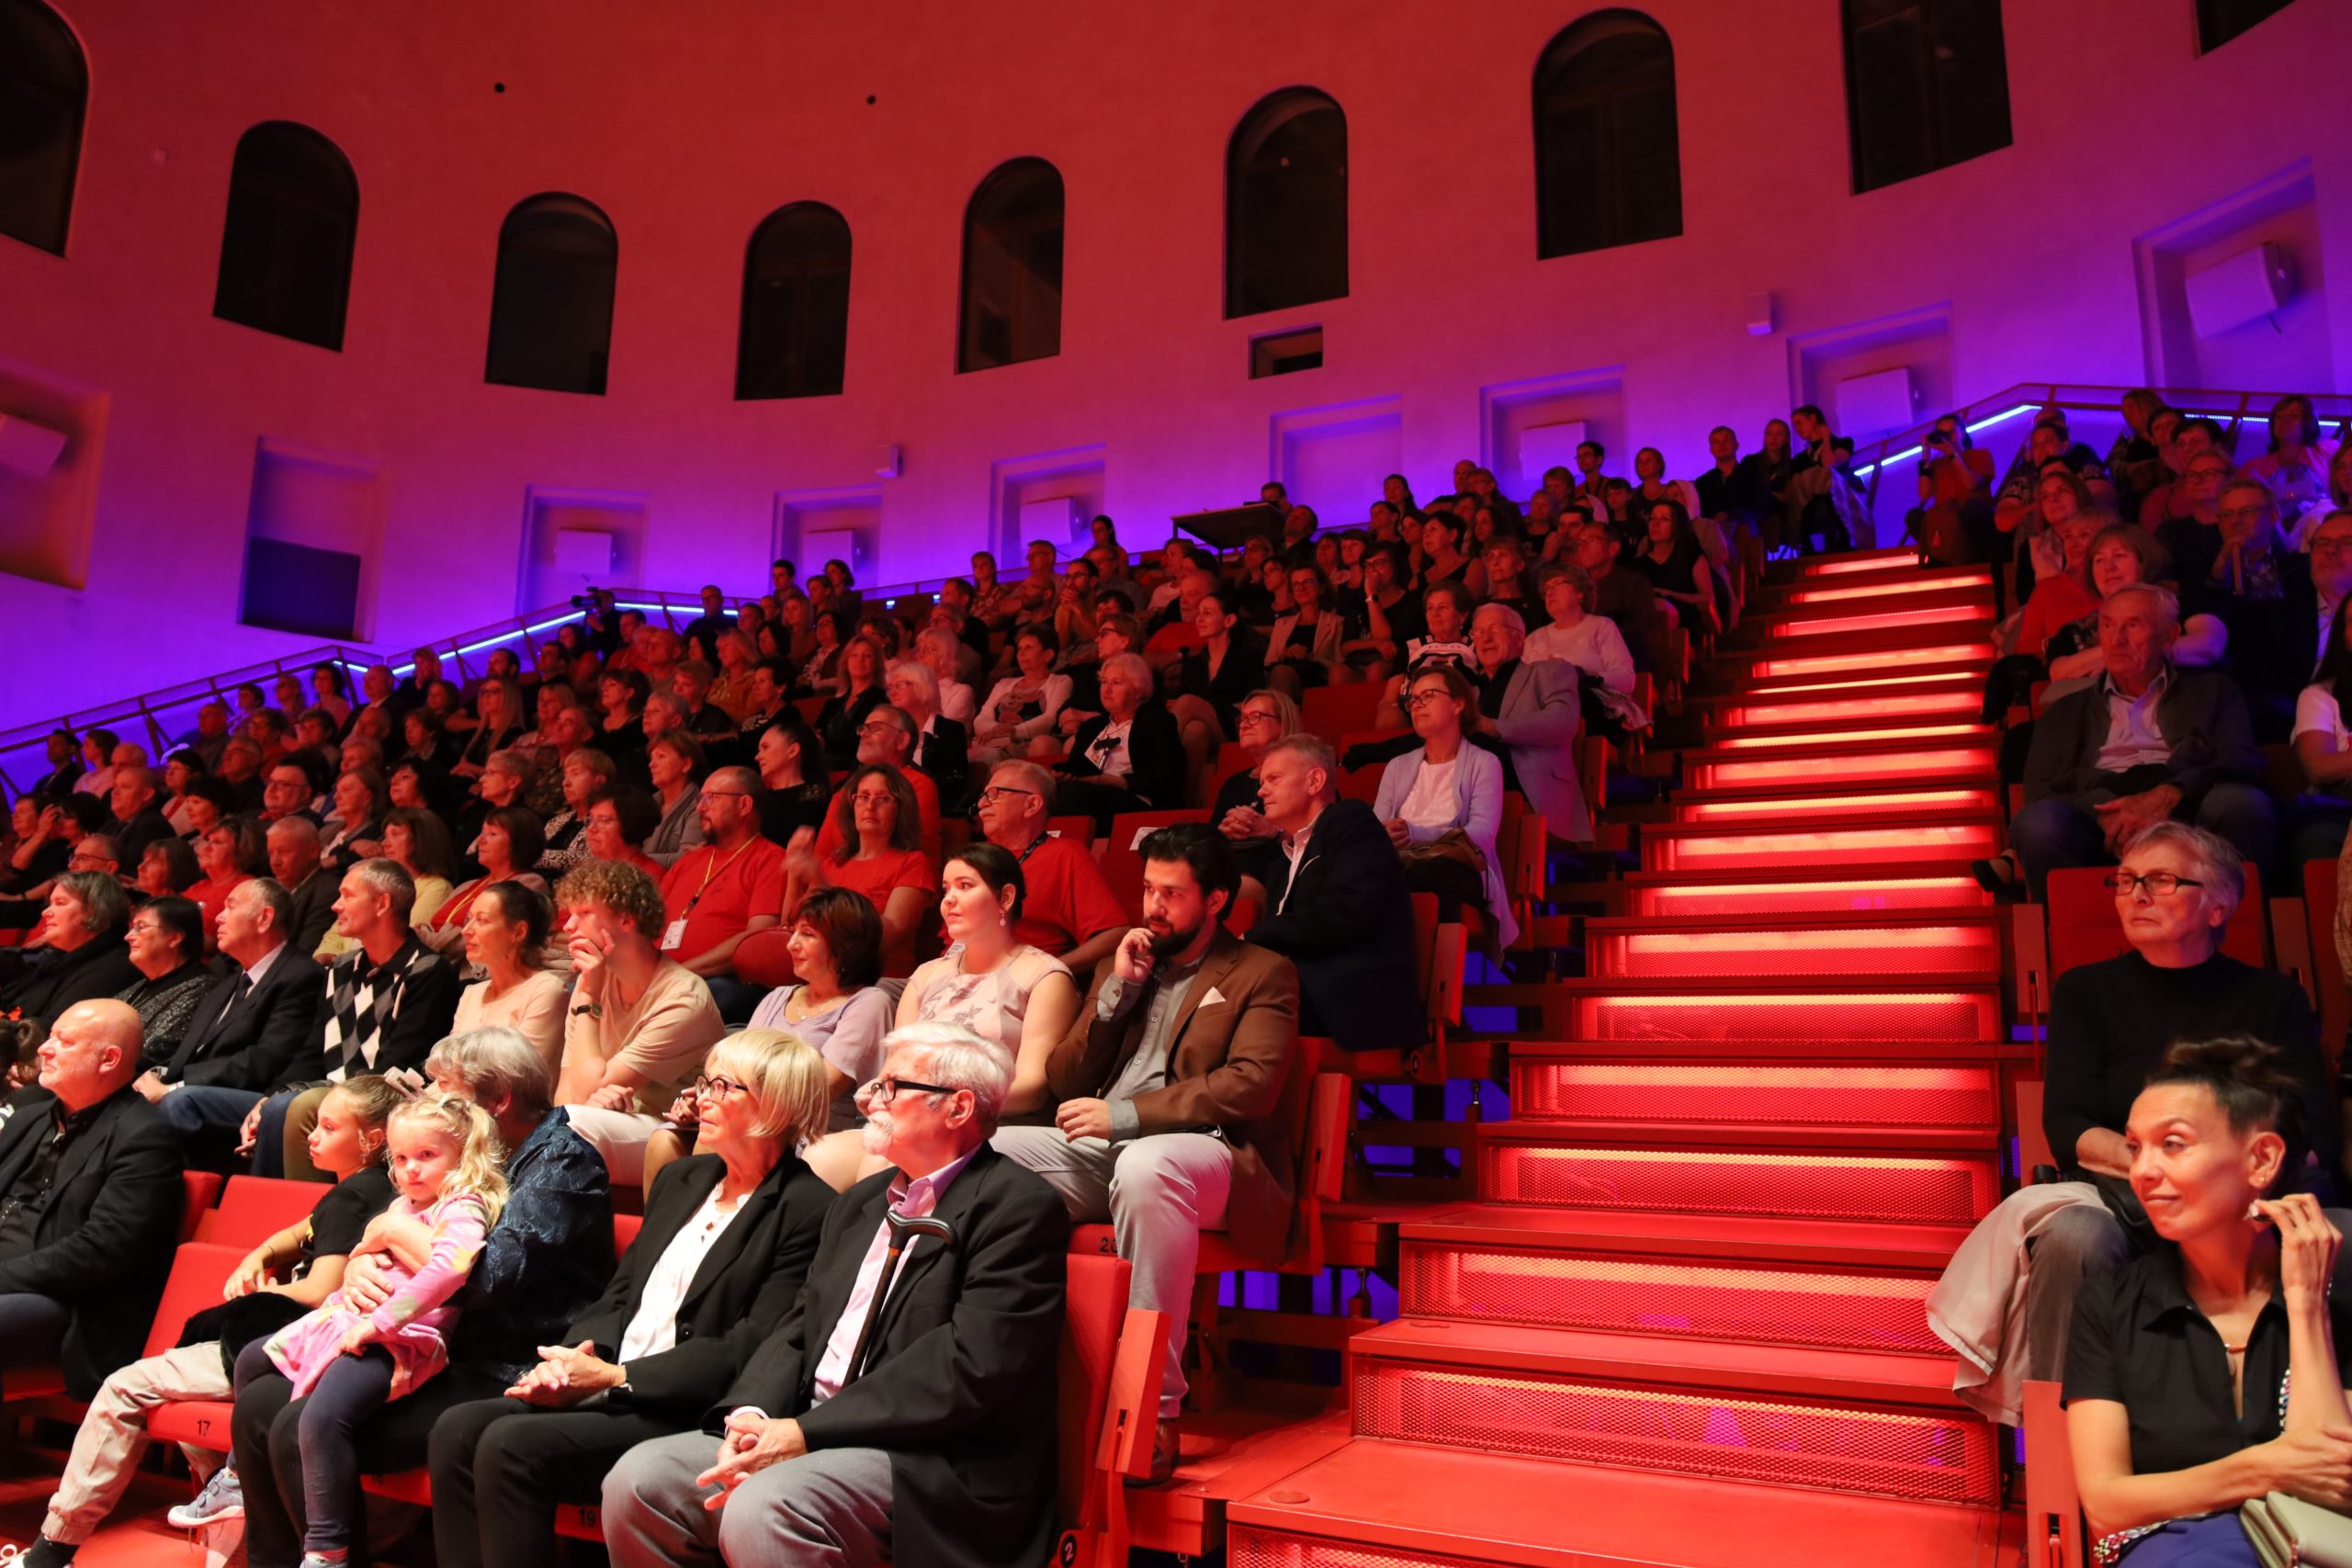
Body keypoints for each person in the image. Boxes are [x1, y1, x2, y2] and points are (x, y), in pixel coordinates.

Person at [596, 1021, 1069, 1568]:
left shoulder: (1016, 1208)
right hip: (810, 1425)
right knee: (641, 1480)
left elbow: (967, 1367)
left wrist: (803, 1431)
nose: (870, 1099)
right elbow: (799, 1325)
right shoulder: (860, 1202)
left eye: (892, 1087)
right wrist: (750, 1412)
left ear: (958, 1108)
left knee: (764, 1507)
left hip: (929, 1456)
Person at [425, 1030, 840, 1568]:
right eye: (704, 1081)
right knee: (456, 1430)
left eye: (723, 1086)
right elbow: (621, 1291)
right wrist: (578, 1356)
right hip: (611, 1382)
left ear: (775, 1106)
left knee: (509, 1447)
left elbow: (752, 1344)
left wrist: (618, 1380)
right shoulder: (682, 1178)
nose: (701, 1097)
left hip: (679, 1402)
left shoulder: (809, 1207)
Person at [232, 1025, 615, 1568]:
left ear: (497, 1099)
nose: (431, 1100)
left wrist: (389, 1240)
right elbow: (395, 1224)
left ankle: (333, 1559)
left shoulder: (563, 1163)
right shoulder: (451, 1147)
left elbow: (486, 1278)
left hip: (501, 1359)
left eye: (444, 1088)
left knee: (297, 1423)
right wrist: (365, 1261)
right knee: (257, 1404)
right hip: (425, 1335)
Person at [993, 825, 1299, 1478]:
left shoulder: (1262, 971)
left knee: (1145, 1163)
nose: (1153, 906)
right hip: (1107, 1141)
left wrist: (1127, 1114)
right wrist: (1118, 993)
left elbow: (1250, 1085)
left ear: (1216, 899)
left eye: (1172, 893)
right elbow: (1067, 1081)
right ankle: (996, 1368)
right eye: (1148, 890)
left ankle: (1152, 1409)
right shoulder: (1123, 963)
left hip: (1211, 1153)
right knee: (985, 1148)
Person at [10, 1077, 403, 1567]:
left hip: (292, 1347)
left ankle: (50, 1552)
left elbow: (321, 1291)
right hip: (322, 1351)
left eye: (328, 1126)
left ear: (372, 1140)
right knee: (181, 1403)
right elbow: (303, 1231)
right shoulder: (367, 1189)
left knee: (125, 1388)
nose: (310, 1136)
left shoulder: (354, 1196)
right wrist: (260, 1252)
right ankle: (234, 1504)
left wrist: (263, 1290)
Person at [2064, 1037, 2352, 1566]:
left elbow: (2335, 1487)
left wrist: (2308, 1308)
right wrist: (2268, 1468)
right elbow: (2105, 1503)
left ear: (2262, 1159)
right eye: (2134, 1147)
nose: (2143, 1171)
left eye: (2172, 1143)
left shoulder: (2338, 1288)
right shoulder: (2111, 1300)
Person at [232, 1093, 506, 1568]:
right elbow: (362, 1252)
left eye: (427, 1156)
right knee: (252, 1358)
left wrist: (380, 1322)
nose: (410, 1170)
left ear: (464, 1156)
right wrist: (360, 1261)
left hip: (402, 1338)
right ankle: (234, 1476)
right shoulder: (403, 1203)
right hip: (350, 1318)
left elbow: (448, 1272)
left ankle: (326, 1549)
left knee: (320, 1418)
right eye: (400, 1159)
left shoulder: (463, 1206)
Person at [1990, 585, 2273, 899]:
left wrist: (2171, 793)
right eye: (2108, 625)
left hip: (2189, 806)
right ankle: (2074, 939)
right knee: (2037, 824)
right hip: (2097, 820)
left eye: (2133, 625)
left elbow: (2241, 759)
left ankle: (2242, 926)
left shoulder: (2214, 690)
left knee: (2241, 804)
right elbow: (2039, 790)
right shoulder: (2064, 712)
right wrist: (2108, 811)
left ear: (2169, 636)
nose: (2116, 639)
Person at [0, 999, 184, 1399]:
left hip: (66, 1305)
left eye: (63, 1042)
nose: (44, 1049)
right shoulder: (29, 1118)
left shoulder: (145, 1137)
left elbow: (101, 1251)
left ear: (108, 1059)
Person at [552, 860, 728, 1185]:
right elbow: (566, 1097)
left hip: (677, 1134)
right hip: (607, 1120)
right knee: (563, 1122)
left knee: (573, 1126)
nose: (568, 925)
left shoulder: (684, 998)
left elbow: (585, 1094)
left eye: (584, 913)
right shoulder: (591, 980)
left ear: (626, 919)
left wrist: (589, 991)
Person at [1244, 735, 1421, 1055]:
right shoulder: (1279, 865)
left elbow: (1344, 913)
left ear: (1315, 781)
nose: (1261, 790)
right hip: (1299, 991)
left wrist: (1251, 938)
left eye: (1274, 778)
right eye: (1261, 781)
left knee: (1231, 1006)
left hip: (1352, 997)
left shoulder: (1351, 822)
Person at [139, 879, 327, 1160]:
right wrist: (157, 1075)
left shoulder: (300, 975)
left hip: (259, 1096)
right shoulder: (226, 983)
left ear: (264, 918)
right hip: (204, 1086)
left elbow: (266, 1058)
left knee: (180, 1101)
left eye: (231, 906)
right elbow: (191, 1051)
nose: (218, 916)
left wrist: (173, 1087)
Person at [896, 842, 1079, 1121]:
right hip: (914, 1119)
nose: (949, 900)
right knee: (819, 1155)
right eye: (946, 889)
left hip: (993, 1126)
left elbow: (1032, 1089)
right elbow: (896, 1068)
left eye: (965, 886)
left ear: (1005, 898)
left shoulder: (1044, 976)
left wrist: (946, 1104)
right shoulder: (925, 975)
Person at [1375, 664, 1517, 947]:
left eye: (1427, 695)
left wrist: (1418, 834)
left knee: (1430, 874)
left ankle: (1430, 979)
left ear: (1458, 704)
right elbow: (1374, 828)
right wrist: (1385, 834)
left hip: (1457, 866)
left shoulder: (1483, 763)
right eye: (1413, 699)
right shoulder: (1397, 766)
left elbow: (1482, 833)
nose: (1416, 705)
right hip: (1400, 863)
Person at [741, 888, 894, 1138]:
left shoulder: (869, 1003)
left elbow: (822, 1088)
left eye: (807, 934)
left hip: (817, 1137)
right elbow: (736, 1067)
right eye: (793, 932)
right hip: (754, 1122)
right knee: (670, 1137)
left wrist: (737, 1106)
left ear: (845, 946)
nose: (791, 944)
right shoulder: (777, 997)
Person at [973, 759, 1128, 972]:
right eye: (983, 796)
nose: (981, 804)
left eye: (994, 794)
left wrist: (1046, 973)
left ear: (1031, 805)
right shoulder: (972, 859)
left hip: (1020, 986)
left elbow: (1114, 935)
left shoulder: (1066, 854)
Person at [656, 767, 786, 1019]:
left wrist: (678, 973)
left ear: (744, 805)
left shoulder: (771, 860)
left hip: (719, 981)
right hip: (659, 975)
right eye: (699, 799)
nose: (699, 808)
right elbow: (645, 921)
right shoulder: (690, 861)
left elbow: (756, 939)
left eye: (710, 798)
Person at [787, 764, 938, 978]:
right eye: (863, 797)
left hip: (880, 981)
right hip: (825, 976)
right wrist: (794, 872)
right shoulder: (833, 864)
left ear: (900, 809)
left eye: (883, 798)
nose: (870, 806)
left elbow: (885, 939)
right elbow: (793, 928)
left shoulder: (913, 862)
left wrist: (821, 883)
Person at [1468, 602, 1593, 843]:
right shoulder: (1469, 691)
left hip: (1530, 795)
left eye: (1495, 629)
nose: (1485, 638)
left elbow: (1563, 722)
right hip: (1475, 801)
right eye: (1478, 632)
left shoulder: (1550, 671)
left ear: (1519, 637)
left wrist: (1494, 727)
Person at [1057, 651, 1185, 832]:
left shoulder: (1157, 723)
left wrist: (1120, 782)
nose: (1107, 690)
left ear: (1138, 691)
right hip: (1090, 795)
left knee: (1073, 794)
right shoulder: (1092, 727)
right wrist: (1059, 774)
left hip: (1136, 800)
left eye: (1116, 683)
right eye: (1104, 682)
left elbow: (1168, 777)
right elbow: (1078, 768)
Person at [450, 882, 569, 1076]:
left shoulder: (546, 990)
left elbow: (516, 1078)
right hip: (458, 1101)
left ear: (519, 932)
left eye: (482, 920)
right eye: (469, 919)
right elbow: (449, 1068)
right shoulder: (471, 994)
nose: (466, 930)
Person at [0, 872, 140, 1032]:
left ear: (95, 910)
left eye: (60, 903)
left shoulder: (115, 966)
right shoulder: (61, 957)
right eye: (50, 903)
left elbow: (52, 1029)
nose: (46, 912)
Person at [417, 807, 548, 960]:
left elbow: (487, 938)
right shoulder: (467, 885)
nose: (481, 840)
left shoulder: (528, 883)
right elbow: (429, 925)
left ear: (520, 842)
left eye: (492, 834)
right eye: (482, 833)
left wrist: (419, 936)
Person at [114, 895, 213, 1067]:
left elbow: (151, 1052)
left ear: (174, 938)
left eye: (141, 928)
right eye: (132, 928)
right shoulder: (138, 986)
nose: (128, 936)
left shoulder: (203, 987)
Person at [1523, 561, 1635, 692]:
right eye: (1546, 588)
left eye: (1558, 583)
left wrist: (1580, 676)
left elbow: (1625, 680)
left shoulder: (1601, 627)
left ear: (1580, 592)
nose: (1550, 592)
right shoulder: (1534, 638)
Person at [968, 627, 1071, 765]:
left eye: (1028, 647)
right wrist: (996, 729)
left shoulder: (1060, 681)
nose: (1021, 653)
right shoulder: (1004, 683)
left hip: (1030, 746)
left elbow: (1050, 718)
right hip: (996, 742)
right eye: (1019, 648)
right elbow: (981, 719)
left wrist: (1013, 731)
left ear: (1048, 655)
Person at [884, 660, 969, 820]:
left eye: (900, 685)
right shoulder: (890, 734)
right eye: (890, 687)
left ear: (923, 687)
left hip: (931, 811)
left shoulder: (950, 730)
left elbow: (953, 785)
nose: (892, 692)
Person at [751, 716, 831, 847]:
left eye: (765, 747)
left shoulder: (814, 795)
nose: (757, 757)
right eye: (759, 750)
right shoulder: (761, 798)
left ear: (793, 750)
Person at [268, 818, 341, 954]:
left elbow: (305, 953)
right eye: (271, 853)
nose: (274, 862)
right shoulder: (273, 890)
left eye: (283, 851)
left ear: (313, 851)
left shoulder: (328, 892)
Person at [642, 731, 709, 869]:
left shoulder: (702, 805)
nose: (651, 765)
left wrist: (632, 859)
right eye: (651, 758)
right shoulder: (646, 804)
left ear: (686, 764)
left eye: (661, 756)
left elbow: (687, 859)